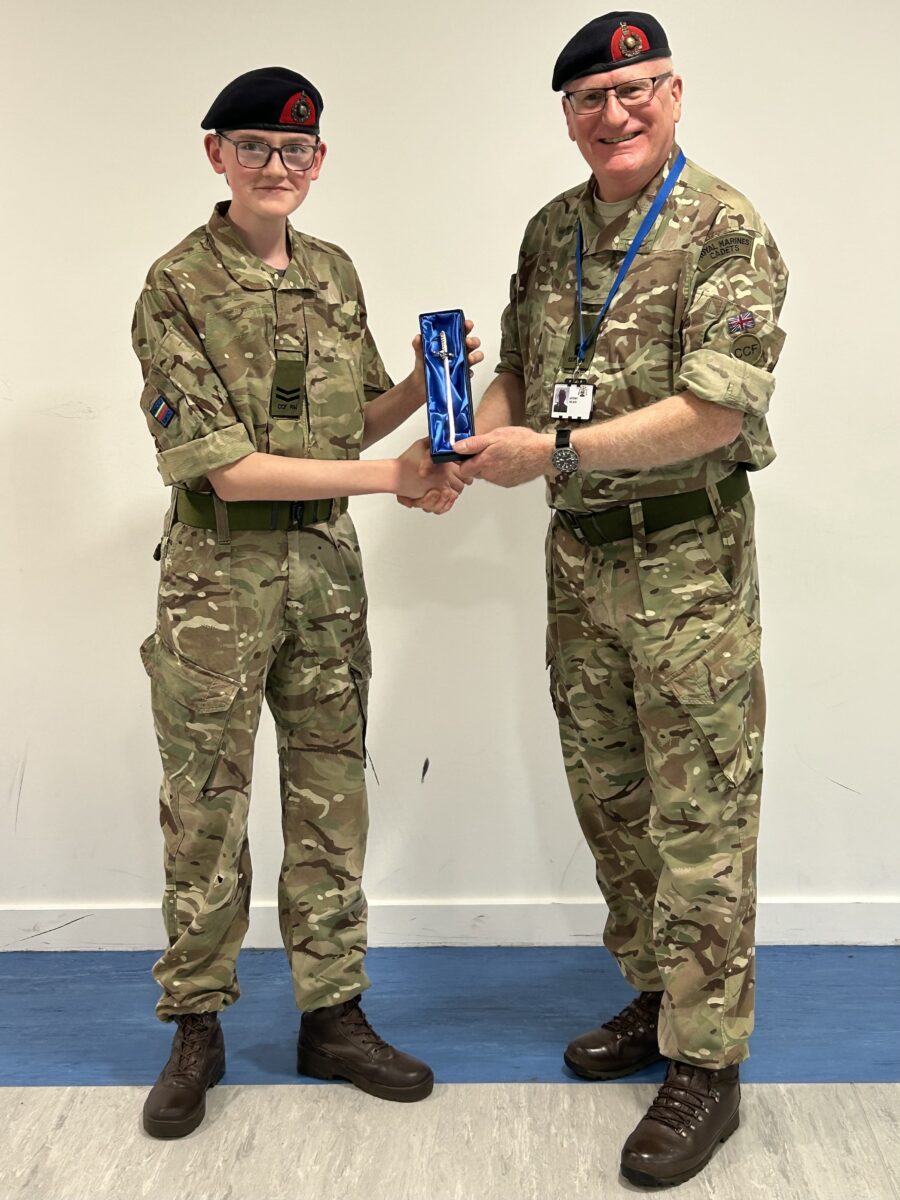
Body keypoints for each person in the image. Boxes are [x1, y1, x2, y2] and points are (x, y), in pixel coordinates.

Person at [446, 11, 788, 1188]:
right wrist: (466, 440)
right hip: (581, 568)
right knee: (617, 805)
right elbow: (526, 381)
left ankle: (709, 1064)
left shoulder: (725, 230)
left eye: (634, 89)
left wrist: (554, 455)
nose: (614, 113)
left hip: (687, 568)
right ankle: (655, 996)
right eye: (590, 99)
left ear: (675, 92)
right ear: (569, 116)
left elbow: (718, 409)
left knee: (702, 822)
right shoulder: (553, 233)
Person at [133, 65, 480, 1139]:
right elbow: (228, 469)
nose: (277, 167)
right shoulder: (175, 285)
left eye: (296, 151)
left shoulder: (333, 272)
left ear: (319, 161)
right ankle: (196, 1025)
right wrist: (397, 479)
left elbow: (347, 433)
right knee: (208, 809)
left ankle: (332, 1015)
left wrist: (426, 390)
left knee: (333, 801)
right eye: (254, 148)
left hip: (325, 579)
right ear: (216, 157)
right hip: (217, 586)